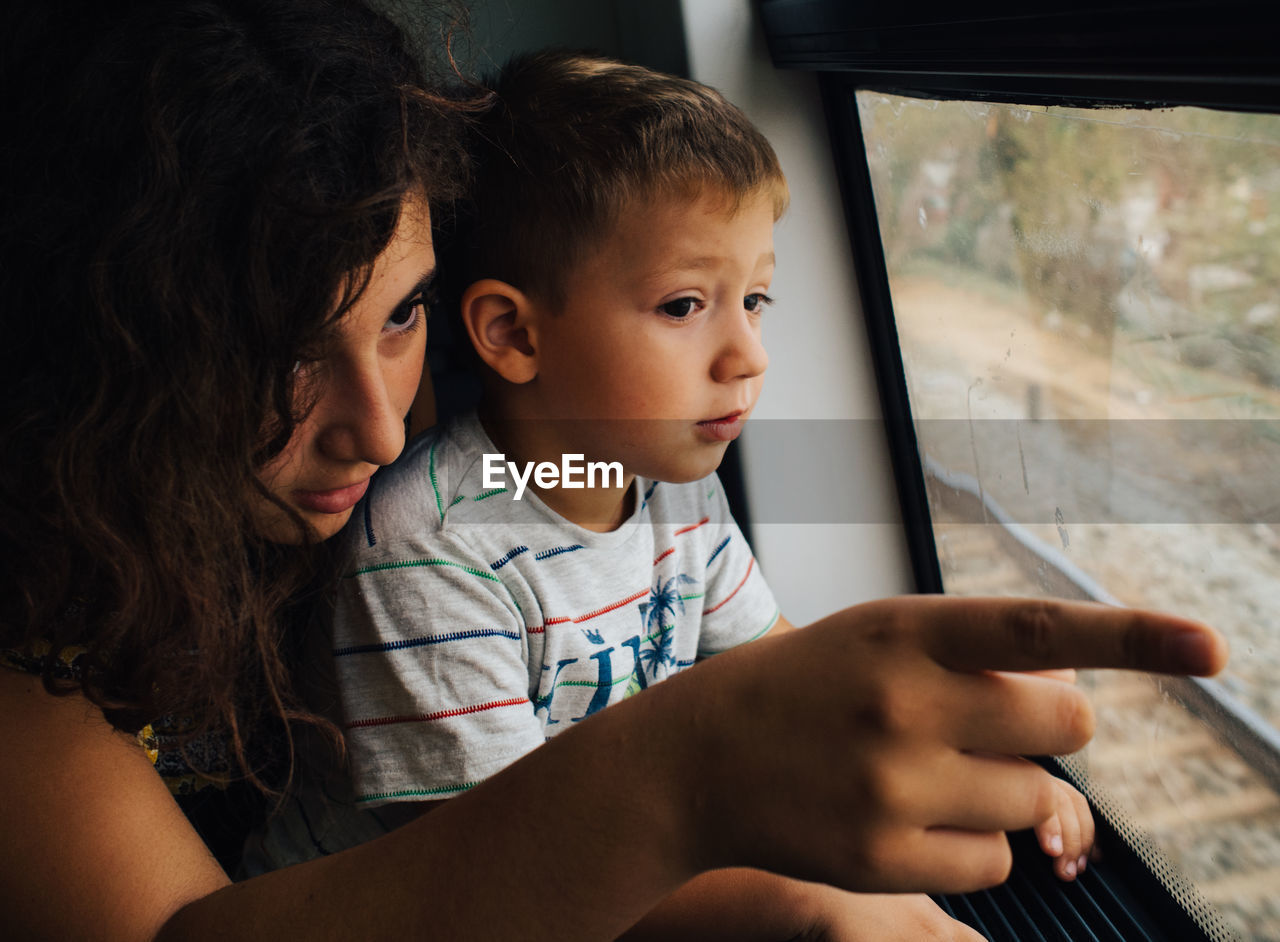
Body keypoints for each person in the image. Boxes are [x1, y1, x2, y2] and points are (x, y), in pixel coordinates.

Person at [0, 1, 1228, 940]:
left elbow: (749, 642)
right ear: (110, 358)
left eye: (399, 315)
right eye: (274, 357)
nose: (379, 431)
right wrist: (715, 814)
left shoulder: (612, 473)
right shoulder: (53, 626)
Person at [249, 51, 1101, 938]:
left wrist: (955, 739)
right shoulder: (431, 548)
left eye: (756, 299)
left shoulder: (664, 491)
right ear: (512, 333)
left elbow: (775, 671)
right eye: (686, 306)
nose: (750, 355)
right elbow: (515, 874)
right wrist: (822, 904)